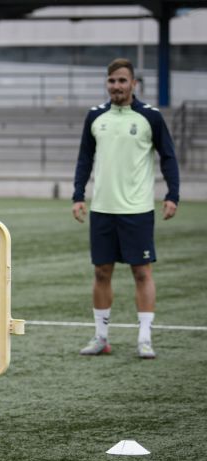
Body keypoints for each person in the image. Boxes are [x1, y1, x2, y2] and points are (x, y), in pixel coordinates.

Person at [72, 58, 179, 359]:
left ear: (134, 84)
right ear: (106, 84)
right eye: (111, 81)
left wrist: (173, 194)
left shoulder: (150, 117)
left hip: (137, 209)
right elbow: (84, 159)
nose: (116, 86)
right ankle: (101, 337)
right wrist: (78, 195)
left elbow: (168, 157)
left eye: (122, 80)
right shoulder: (95, 116)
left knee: (142, 272)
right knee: (101, 271)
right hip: (102, 208)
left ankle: (144, 339)